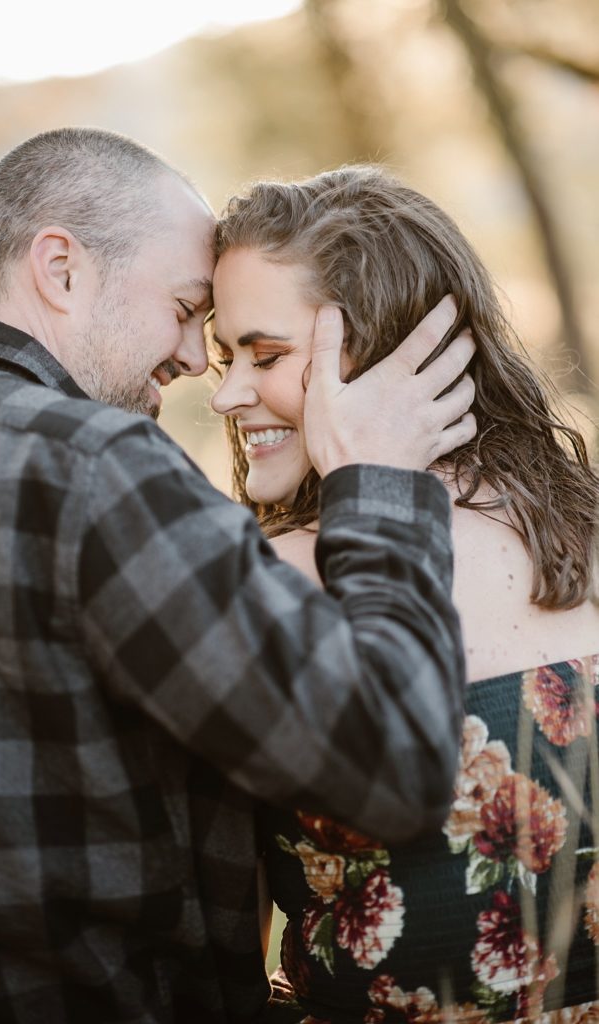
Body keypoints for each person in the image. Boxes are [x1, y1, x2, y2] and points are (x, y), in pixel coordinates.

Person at [0, 128, 477, 1022]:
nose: (189, 358)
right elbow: (396, 766)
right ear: (60, 269)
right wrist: (379, 489)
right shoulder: (94, 470)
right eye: (184, 307)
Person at [209, 165, 599, 1024]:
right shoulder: (586, 527)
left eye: (265, 355)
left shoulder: (277, 576)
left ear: (385, 354)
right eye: (221, 353)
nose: (227, 392)